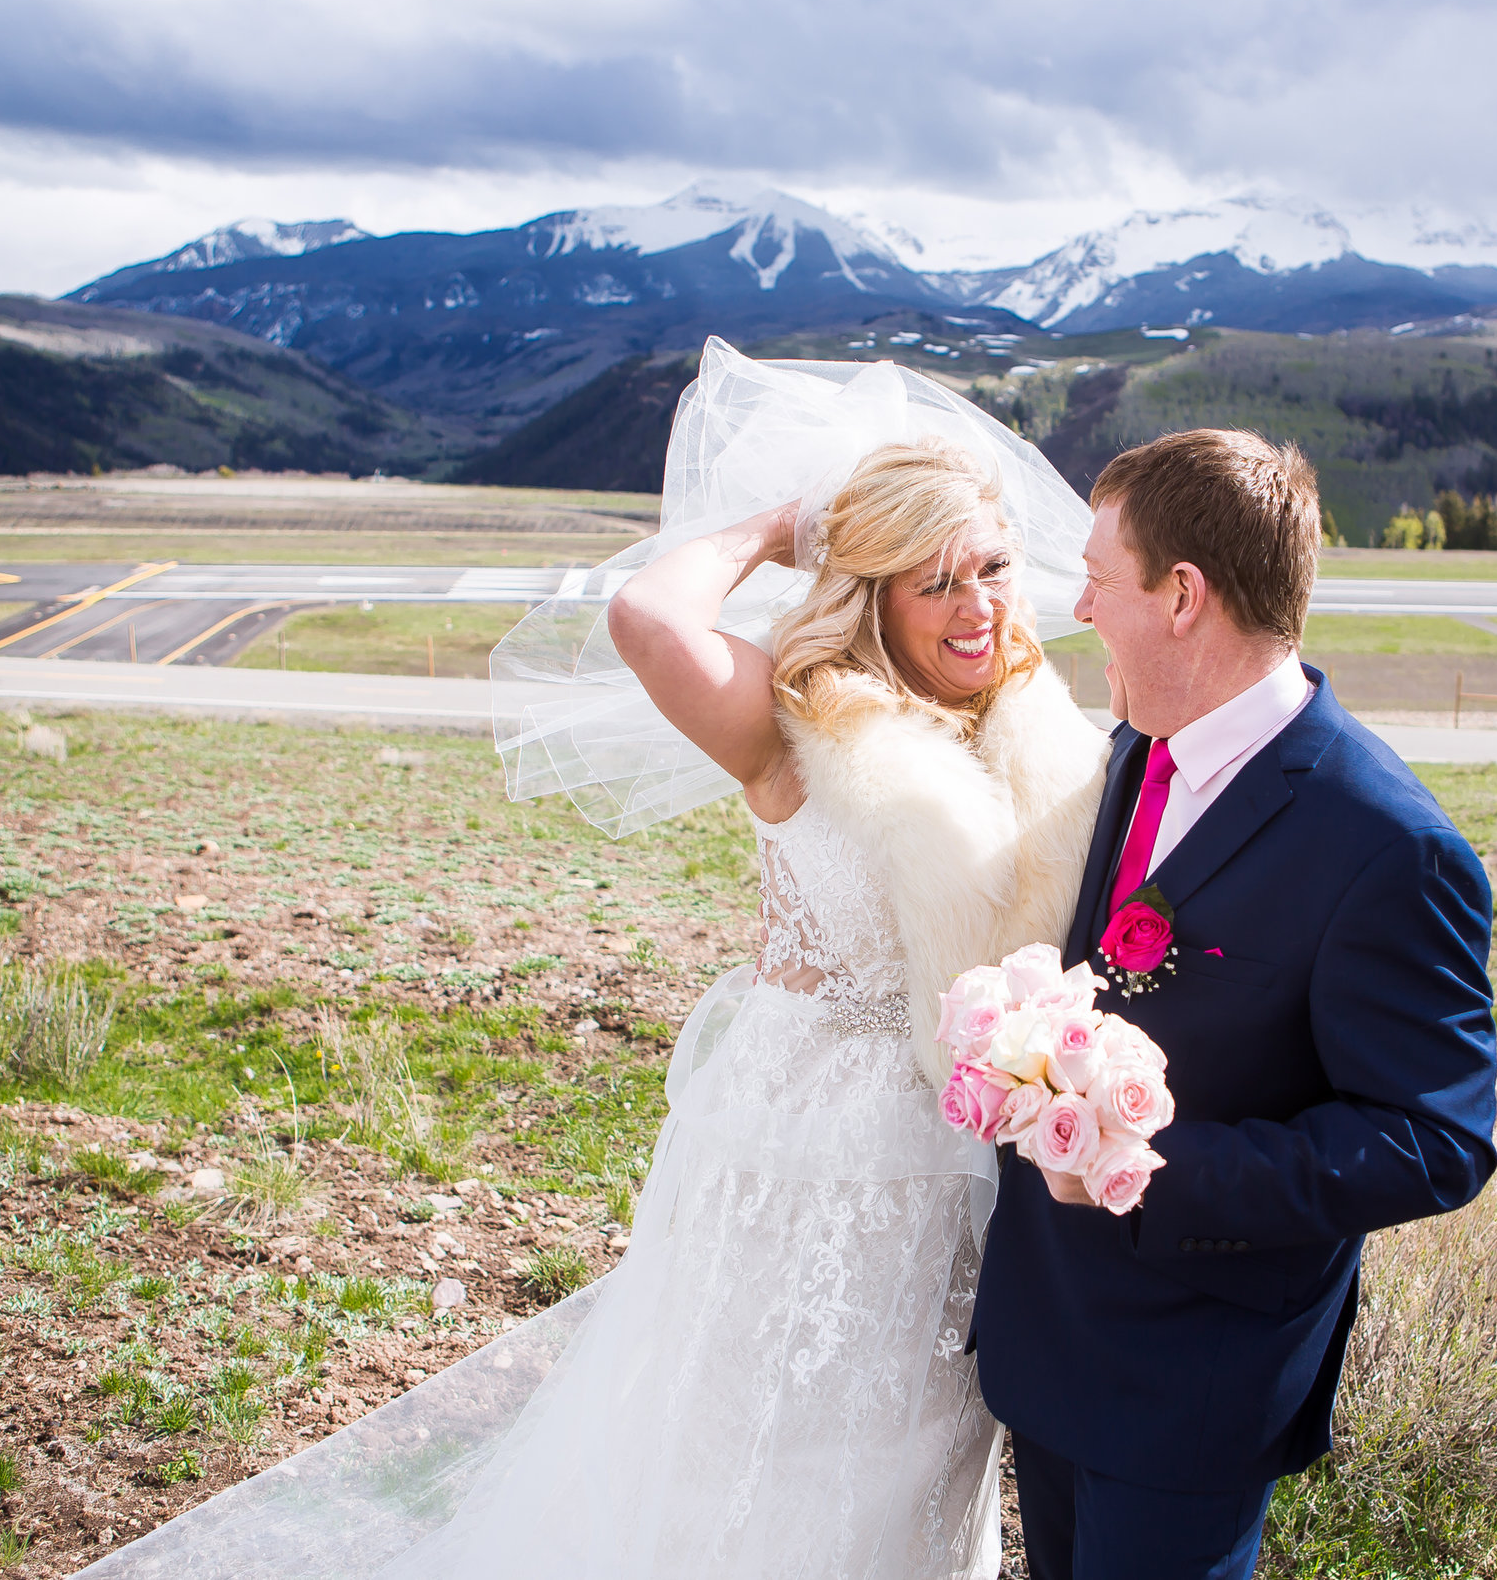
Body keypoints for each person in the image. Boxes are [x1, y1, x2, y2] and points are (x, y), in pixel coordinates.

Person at [70, 348, 1106, 1580]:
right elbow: (648, 616)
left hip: (951, 1165)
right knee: (754, 1454)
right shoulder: (793, 720)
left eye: (990, 568)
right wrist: (788, 523)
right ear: (871, 589)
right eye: (934, 582)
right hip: (797, 1160)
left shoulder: (1032, 734)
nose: (977, 606)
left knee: (921, 1459)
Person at [972, 428, 1497, 1580]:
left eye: (1099, 582)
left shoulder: (1389, 846)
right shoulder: (1128, 752)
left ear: (1181, 596)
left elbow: (1435, 1138)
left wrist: (1144, 1166)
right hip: (1052, 1333)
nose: (1078, 607)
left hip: (1191, 1380)